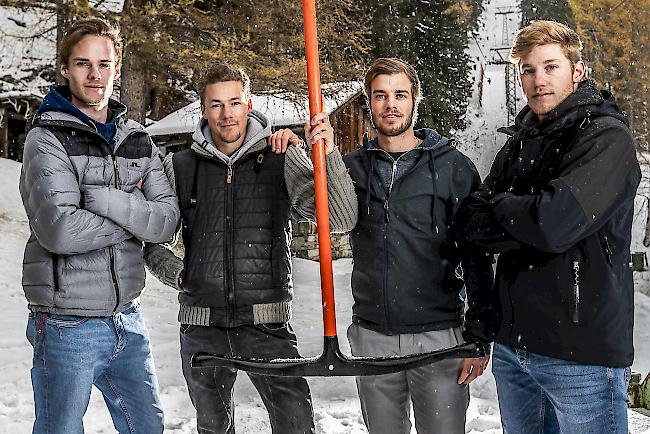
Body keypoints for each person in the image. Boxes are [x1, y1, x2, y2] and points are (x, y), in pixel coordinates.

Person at [144, 62, 358, 434]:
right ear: (203, 109)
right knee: (213, 428)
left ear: (249, 104)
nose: (226, 114)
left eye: (234, 102)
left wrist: (326, 152)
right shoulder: (179, 167)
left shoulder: (281, 158)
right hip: (201, 326)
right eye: (216, 105)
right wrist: (181, 274)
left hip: (267, 324)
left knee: (296, 426)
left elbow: (339, 218)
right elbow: (150, 240)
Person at [452, 20, 640, 434]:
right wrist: (525, 212)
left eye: (551, 66)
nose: (538, 80)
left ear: (578, 70)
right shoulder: (520, 140)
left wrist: (502, 206)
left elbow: (553, 225)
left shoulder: (607, 138)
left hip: (582, 353)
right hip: (515, 348)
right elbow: (470, 220)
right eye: (528, 69)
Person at [19, 17, 180, 434]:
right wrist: (135, 215)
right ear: (64, 70)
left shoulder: (137, 138)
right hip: (65, 322)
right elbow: (61, 230)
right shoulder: (46, 138)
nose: (95, 75)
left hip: (127, 317)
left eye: (104, 64)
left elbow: (165, 222)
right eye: (83, 64)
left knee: (147, 426)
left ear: (117, 68)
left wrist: (105, 200)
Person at [338, 57, 494, 434]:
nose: (390, 104)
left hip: (438, 337)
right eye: (380, 96)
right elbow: (321, 212)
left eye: (400, 95)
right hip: (374, 336)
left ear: (415, 100)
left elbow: (476, 255)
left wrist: (478, 336)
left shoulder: (452, 167)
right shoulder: (351, 169)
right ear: (368, 102)